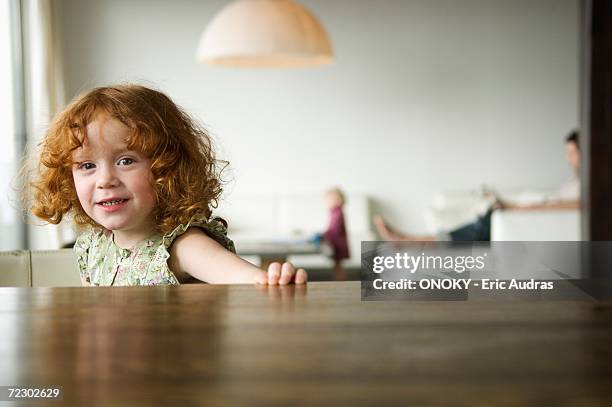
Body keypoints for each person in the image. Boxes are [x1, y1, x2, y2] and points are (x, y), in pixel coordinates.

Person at [27, 84, 307, 286]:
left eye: (125, 161)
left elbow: (251, 281)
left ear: (166, 169)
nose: (105, 180)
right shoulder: (92, 249)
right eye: (87, 166)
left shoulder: (182, 246)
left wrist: (274, 279)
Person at [374, 131, 581, 242]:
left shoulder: (586, 184)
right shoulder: (573, 182)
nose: (567, 157)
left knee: (481, 225)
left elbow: (572, 207)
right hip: (525, 215)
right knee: (483, 217)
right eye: (567, 152)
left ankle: (409, 240)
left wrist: (521, 208)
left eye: (572, 152)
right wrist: (511, 205)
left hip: (529, 218)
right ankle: (410, 239)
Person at [321, 188, 349, 280]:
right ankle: (338, 279)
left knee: (338, 265)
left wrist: (325, 234)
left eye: (330, 199)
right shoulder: (334, 211)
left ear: (339, 200)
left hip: (338, 243)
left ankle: (340, 280)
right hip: (335, 241)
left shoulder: (338, 212)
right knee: (337, 264)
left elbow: (335, 228)